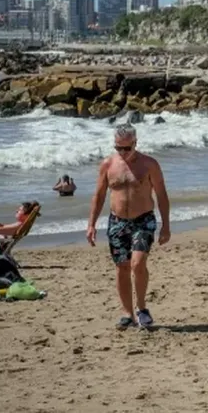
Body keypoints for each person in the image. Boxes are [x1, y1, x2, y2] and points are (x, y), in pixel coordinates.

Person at [87, 124, 171, 330]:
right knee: (122, 267)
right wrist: (91, 224)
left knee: (137, 263)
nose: (122, 153)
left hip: (143, 220)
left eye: (127, 148)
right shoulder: (108, 165)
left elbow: (161, 195)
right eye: (118, 148)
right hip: (117, 222)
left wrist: (166, 226)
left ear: (136, 143)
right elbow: (98, 196)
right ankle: (127, 313)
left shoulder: (149, 164)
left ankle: (142, 309)